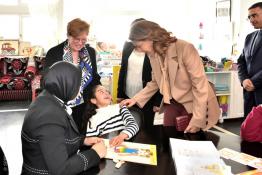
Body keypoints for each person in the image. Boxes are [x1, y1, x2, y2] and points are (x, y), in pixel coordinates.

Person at [121, 20, 220, 134]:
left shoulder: (185, 48)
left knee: (191, 141)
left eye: (139, 46)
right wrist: (135, 99)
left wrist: (198, 119)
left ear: (149, 37)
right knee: (169, 138)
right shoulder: (153, 54)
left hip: (195, 102)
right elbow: (155, 82)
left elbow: (200, 86)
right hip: (172, 103)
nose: (139, 50)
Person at [21, 61, 106, 175]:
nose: (80, 88)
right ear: (66, 83)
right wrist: (95, 154)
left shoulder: (48, 98)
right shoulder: (48, 117)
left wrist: (83, 141)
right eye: (78, 84)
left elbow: (55, 139)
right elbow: (61, 170)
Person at [44, 18, 101, 134]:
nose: (80, 43)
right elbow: (48, 81)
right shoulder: (54, 53)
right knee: (66, 135)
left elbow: (94, 76)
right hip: (62, 105)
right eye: (76, 39)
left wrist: (101, 90)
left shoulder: (90, 52)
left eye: (84, 40)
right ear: (68, 35)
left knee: (84, 135)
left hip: (85, 103)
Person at [117, 18, 162, 132]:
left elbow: (159, 80)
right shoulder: (128, 46)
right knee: (129, 125)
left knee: (148, 128)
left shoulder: (153, 50)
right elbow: (123, 69)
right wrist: (120, 93)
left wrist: (158, 101)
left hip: (148, 96)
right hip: (129, 93)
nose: (134, 42)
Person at [237, 2, 262, 118]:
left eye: (255, 15)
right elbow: (241, 61)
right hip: (249, 94)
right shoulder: (249, 37)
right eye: (249, 17)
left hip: (259, 89)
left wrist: (254, 82)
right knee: (249, 130)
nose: (251, 19)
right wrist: (244, 79)